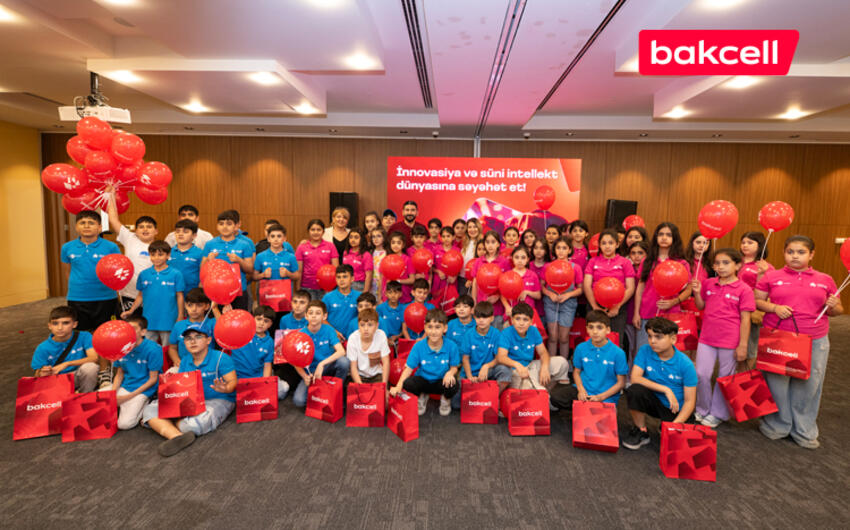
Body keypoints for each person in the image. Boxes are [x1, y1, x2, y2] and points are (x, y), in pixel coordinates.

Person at [754, 235, 842, 449]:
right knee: (776, 383)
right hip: (779, 337)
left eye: (801, 252)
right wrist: (774, 308)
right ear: (784, 253)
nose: (795, 256)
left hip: (814, 339)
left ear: (811, 254)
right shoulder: (771, 276)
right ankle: (777, 425)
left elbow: (838, 311)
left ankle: (803, 429)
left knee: (809, 384)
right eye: (790, 252)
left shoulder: (825, 279)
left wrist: (833, 306)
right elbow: (756, 301)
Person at [141, 324, 237, 457]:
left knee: (192, 426)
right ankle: (176, 436)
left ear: (208, 340)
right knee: (149, 410)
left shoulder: (221, 358)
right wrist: (169, 390)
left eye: (198, 337)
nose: (193, 341)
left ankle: (172, 425)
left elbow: (233, 382)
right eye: (188, 338)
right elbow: (183, 386)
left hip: (218, 399)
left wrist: (226, 388)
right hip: (191, 399)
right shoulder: (185, 360)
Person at [691, 248, 754, 428]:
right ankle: (702, 408)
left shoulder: (744, 289)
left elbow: (746, 319)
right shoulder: (709, 283)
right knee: (701, 374)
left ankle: (718, 413)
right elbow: (700, 306)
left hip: (730, 340)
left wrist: (743, 345)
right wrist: (697, 292)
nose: (721, 266)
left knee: (724, 378)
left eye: (726, 263)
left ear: (738, 265)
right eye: (717, 263)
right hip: (707, 337)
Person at [622, 317, 697, 450]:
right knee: (634, 390)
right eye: (650, 336)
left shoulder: (686, 364)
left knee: (682, 448)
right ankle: (642, 431)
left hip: (675, 408)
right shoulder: (645, 350)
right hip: (654, 401)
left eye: (658, 337)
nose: (652, 341)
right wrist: (666, 389)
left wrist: (673, 426)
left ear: (673, 339)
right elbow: (635, 378)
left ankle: (666, 425)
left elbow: (690, 401)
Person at [549, 311, 627, 410]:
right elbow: (576, 372)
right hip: (584, 391)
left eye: (599, 327)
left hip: (606, 395)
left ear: (608, 330)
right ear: (587, 329)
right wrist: (581, 390)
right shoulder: (581, 348)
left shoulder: (618, 353)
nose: (595, 331)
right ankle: (582, 408)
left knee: (600, 414)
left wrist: (600, 397)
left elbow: (621, 383)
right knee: (555, 398)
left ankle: (587, 409)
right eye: (591, 327)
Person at [632, 222, 691, 351]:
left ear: (674, 238)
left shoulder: (681, 263)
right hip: (647, 313)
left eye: (668, 235)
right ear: (656, 237)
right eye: (661, 234)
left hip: (671, 314)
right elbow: (640, 288)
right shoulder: (647, 261)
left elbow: (689, 289)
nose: (664, 238)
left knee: (667, 353)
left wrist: (674, 301)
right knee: (644, 351)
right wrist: (636, 313)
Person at [390, 309, 460, 416]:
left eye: (437, 327)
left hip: (441, 381)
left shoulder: (451, 346)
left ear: (445, 328)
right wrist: (398, 386)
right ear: (425, 328)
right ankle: (422, 395)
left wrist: (450, 373)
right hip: (424, 381)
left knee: (453, 384)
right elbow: (408, 368)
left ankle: (445, 399)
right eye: (430, 327)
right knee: (408, 383)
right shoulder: (418, 346)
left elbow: (454, 367)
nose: (433, 331)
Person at [60, 210, 120, 332]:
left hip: (106, 297)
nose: (86, 226)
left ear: (100, 227)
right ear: (76, 227)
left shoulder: (111, 247)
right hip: (78, 298)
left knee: (106, 333)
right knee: (81, 333)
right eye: (82, 223)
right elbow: (67, 271)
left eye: (91, 223)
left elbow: (117, 271)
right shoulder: (67, 247)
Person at [121, 240, 185, 345]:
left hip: (168, 320)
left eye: (160, 254)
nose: (156, 258)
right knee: (148, 347)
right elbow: (140, 296)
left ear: (168, 255)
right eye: (153, 254)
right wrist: (131, 310)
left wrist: (180, 315)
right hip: (149, 320)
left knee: (168, 348)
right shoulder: (144, 274)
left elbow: (180, 296)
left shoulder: (176, 274)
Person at [496, 302, 570, 390]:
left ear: (531, 321)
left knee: (562, 362)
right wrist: (517, 365)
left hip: (531, 366)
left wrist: (545, 367)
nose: (521, 323)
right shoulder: (506, 333)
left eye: (525, 320)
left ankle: (544, 388)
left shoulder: (534, 331)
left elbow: (543, 352)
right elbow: (501, 357)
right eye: (518, 319)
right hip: (514, 369)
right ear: (512, 320)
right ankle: (538, 388)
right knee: (529, 389)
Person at [106, 190, 156, 316]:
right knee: (130, 324)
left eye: (149, 226)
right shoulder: (130, 238)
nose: (145, 229)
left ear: (156, 231)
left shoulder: (161, 247)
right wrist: (110, 196)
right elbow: (113, 219)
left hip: (152, 294)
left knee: (149, 325)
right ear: (136, 231)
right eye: (141, 227)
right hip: (129, 294)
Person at [292, 300, 349, 407]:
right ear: (306, 316)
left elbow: (341, 351)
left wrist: (321, 364)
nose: (314, 316)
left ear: (324, 316)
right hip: (311, 372)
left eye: (318, 313)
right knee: (299, 401)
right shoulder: (300, 335)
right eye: (311, 313)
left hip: (327, 366)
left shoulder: (329, 330)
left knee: (344, 362)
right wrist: (305, 376)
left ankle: (336, 390)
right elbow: (295, 361)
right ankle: (319, 391)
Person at [109, 315, 162, 430]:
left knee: (124, 425)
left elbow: (153, 379)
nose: (128, 332)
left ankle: (147, 403)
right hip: (126, 385)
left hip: (144, 389)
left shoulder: (153, 349)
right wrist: (112, 394)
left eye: (133, 328)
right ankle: (123, 406)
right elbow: (119, 374)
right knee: (96, 401)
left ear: (143, 332)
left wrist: (127, 397)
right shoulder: (120, 347)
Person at [31, 305, 99, 393]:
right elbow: (36, 375)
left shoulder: (84, 336)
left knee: (91, 367)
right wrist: (42, 373)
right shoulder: (42, 348)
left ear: (74, 324)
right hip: (57, 380)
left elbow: (94, 358)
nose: (60, 328)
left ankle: (85, 395)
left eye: (65, 323)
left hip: (78, 375)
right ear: (49, 326)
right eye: (55, 323)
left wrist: (66, 364)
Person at [583, 229, 636, 338]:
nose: (607, 246)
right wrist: (594, 306)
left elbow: (630, 288)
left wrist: (617, 306)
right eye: (604, 243)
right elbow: (587, 286)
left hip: (618, 307)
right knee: (595, 339)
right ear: (599, 245)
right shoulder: (592, 261)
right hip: (595, 305)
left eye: (611, 243)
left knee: (615, 339)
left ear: (617, 244)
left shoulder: (625, 262)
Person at [231, 305, 290, 400]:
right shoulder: (242, 331)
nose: (261, 323)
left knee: (283, 389)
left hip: (258, 377)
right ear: (252, 319)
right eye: (258, 319)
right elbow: (226, 329)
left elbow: (267, 365)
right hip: (237, 377)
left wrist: (264, 383)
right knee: (237, 396)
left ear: (270, 324)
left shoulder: (270, 342)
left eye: (266, 321)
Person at [203, 210, 255, 311]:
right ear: (217, 226)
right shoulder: (210, 244)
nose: (225, 227)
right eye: (221, 224)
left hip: (238, 291)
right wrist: (209, 261)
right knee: (216, 319)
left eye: (229, 224)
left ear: (236, 226)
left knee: (238, 319)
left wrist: (239, 260)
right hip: (216, 291)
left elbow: (250, 269)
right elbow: (202, 269)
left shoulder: (244, 245)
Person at [542, 237, 584, 359]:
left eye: (564, 248)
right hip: (551, 303)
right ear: (554, 250)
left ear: (569, 250)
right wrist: (550, 294)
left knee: (564, 337)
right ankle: (551, 366)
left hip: (568, 304)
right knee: (552, 337)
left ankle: (563, 366)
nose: (561, 251)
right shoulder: (548, 266)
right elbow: (541, 286)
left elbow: (580, 289)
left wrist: (567, 295)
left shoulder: (575, 267)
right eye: (558, 248)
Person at [459, 301, 512, 395]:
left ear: (492, 318)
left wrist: (486, 366)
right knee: (457, 400)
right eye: (478, 317)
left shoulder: (496, 334)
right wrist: (470, 377)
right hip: (471, 371)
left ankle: (492, 396)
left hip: (488, 371)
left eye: (485, 317)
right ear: (474, 318)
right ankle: (481, 393)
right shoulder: (468, 335)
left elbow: (498, 358)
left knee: (505, 371)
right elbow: (465, 359)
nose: (481, 320)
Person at [253, 223, 300, 329]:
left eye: (279, 236)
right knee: (266, 325)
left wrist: (288, 274)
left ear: (284, 239)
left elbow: (297, 276)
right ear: (268, 238)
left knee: (282, 324)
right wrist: (263, 275)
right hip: (267, 298)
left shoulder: (290, 257)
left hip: (284, 299)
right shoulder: (260, 256)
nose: (276, 239)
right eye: (273, 236)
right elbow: (254, 276)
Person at [740, 231, 774, 367]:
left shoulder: (765, 266)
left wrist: (761, 274)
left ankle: (745, 373)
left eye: (750, 242)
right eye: (743, 242)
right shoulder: (735, 261)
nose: (745, 245)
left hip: (751, 311)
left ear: (760, 246)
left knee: (750, 345)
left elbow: (767, 291)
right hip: (731, 307)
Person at [470, 230, 512, 328]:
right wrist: (474, 302)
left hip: (498, 307)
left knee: (496, 332)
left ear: (498, 244)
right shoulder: (478, 261)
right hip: (481, 304)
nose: (490, 245)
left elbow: (507, 285)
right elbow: (475, 283)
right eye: (487, 242)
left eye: (493, 242)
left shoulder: (504, 262)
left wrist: (497, 296)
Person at [168, 288, 217, 369]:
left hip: (208, 366)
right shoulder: (178, 325)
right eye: (190, 305)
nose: (194, 309)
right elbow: (172, 348)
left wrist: (215, 308)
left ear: (207, 306)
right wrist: (177, 360)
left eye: (199, 305)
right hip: (183, 366)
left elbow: (225, 331)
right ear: (185, 306)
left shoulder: (212, 322)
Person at [295, 219, 339, 301]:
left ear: (323, 231)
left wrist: (333, 288)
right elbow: (299, 271)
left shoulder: (330, 246)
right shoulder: (302, 247)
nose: (316, 232)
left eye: (319, 230)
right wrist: (298, 290)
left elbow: (336, 269)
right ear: (308, 231)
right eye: (313, 230)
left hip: (326, 288)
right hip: (307, 287)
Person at [347, 308, 391, 385]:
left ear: (377, 326)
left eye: (370, 325)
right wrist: (360, 386)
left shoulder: (381, 335)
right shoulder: (353, 338)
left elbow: (386, 362)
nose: (366, 329)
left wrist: (384, 385)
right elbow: (353, 367)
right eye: (362, 325)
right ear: (358, 325)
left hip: (377, 375)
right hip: (359, 375)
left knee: (380, 391)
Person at [501, 246, 541, 320]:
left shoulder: (532, 275)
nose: (520, 260)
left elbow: (538, 295)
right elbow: (502, 295)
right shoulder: (507, 275)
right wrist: (507, 307)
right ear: (512, 258)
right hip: (512, 314)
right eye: (517, 257)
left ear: (528, 259)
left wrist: (527, 292)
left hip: (528, 315)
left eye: (523, 258)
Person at [322, 264, 361, 339]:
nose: (341, 280)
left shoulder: (359, 296)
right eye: (338, 277)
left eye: (345, 276)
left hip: (354, 338)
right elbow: (321, 318)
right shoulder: (328, 297)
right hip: (333, 338)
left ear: (352, 279)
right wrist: (334, 332)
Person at [168, 219, 204, 294]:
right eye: (178, 231)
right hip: (170, 293)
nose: (180, 234)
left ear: (194, 235)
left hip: (191, 294)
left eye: (185, 232)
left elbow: (204, 276)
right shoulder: (168, 252)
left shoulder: (200, 253)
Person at [431, 226, 460, 304]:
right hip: (437, 282)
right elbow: (430, 266)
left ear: (453, 237)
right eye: (443, 236)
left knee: (450, 305)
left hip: (451, 282)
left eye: (448, 236)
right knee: (437, 304)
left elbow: (460, 267)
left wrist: (455, 276)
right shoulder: (435, 249)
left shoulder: (457, 250)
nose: (446, 239)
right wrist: (438, 271)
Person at [387, 231, 415, 303]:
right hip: (389, 296)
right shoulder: (387, 259)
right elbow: (383, 279)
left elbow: (412, 280)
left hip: (404, 296)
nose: (395, 245)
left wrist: (398, 280)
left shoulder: (407, 259)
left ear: (403, 245)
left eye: (398, 243)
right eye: (393, 243)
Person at [342, 228, 373, 294]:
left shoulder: (366, 255)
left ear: (362, 239)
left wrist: (365, 292)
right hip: (346, 284)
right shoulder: (346, 252)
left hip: (359, 285)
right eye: (351, 237)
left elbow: (369, 275)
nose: (353, 240)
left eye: (356, 237)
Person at [377, 280, 405, 347]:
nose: (393, 295)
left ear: (400, 294)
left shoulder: (403, 309)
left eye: (396, 293)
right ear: (386, 294)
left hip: (398, 340)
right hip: (382, 340)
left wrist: (397, 336)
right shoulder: (380, 308)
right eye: (390, 292)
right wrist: (386, 339)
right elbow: (376, 327)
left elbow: (404, 329)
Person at [459, 218, 482, 296]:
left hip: (474, 281)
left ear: (479, 228)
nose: (472, 230)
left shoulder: (482, 244)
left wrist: (472, 280)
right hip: (461, 278)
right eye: (470, 227)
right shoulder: (464, 243)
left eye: (475, 227)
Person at [368, 228, 388, 300]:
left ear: (384, 238)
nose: (375, 239)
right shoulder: (370, 252)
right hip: (372, 284)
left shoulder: (387, 253)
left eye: (379, 236)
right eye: (373, 237)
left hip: (383, 285)